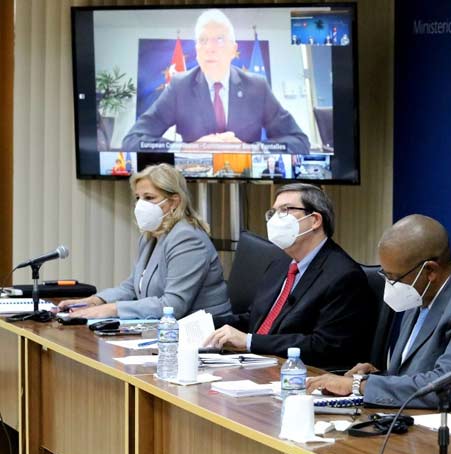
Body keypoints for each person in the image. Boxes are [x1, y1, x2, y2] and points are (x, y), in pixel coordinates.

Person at [305, 215, 451, 419]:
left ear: (430, 271)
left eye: (393, 277)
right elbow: (418, 370)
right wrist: (378, 375)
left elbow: (444, 387)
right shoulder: (419, 290)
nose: (390, 284)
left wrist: (359, 386)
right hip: (414, 419)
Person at [203, 183, 375, 369]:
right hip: (255, 365)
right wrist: (203, 324)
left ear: (315, 220)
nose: (276, 219)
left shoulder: (343, 276)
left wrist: (250, 342)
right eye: (274, 212)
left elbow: (325, 346)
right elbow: (255, 319)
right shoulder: (281, 263)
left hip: (298, 374)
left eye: (285, 210)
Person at [121, 9, 310, 154]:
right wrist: (188, 149)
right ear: (196, 49)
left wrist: (249, 149)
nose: (209, 48)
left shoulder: (257, 87)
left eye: (219, 40)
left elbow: (299, 142)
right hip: (193, 181)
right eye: (202, 40)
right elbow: (133, 140)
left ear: (233, 49)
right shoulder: (180, 86)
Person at [59, 164, 233, 320]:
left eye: (149, 198)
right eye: (138, 198)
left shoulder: (187, 239)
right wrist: (96, 301)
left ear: (174, 202)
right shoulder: (152, 234)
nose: (141, 205)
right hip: (168, 330)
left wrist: (113, 309)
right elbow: (133, 287)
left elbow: (172, 305)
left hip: (204, 334)